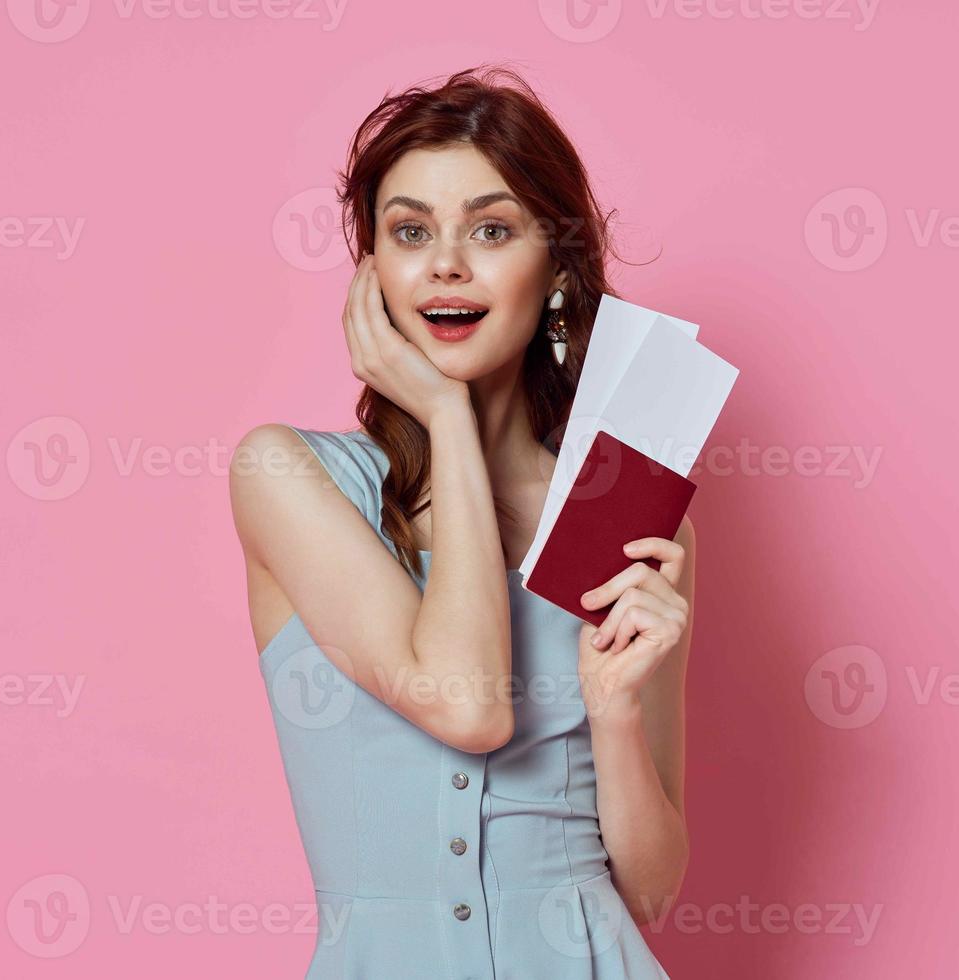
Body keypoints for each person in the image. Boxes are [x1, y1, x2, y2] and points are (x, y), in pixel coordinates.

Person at [229, 63, 694, 979]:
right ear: (373, 271)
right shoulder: (288, 474)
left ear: (556, 263)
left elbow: (651, 892)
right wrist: (446, 419)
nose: (446, 262)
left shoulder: (631, 513)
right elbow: (469, 705)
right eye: (410, 232)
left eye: (490, 228)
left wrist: (612, 710)